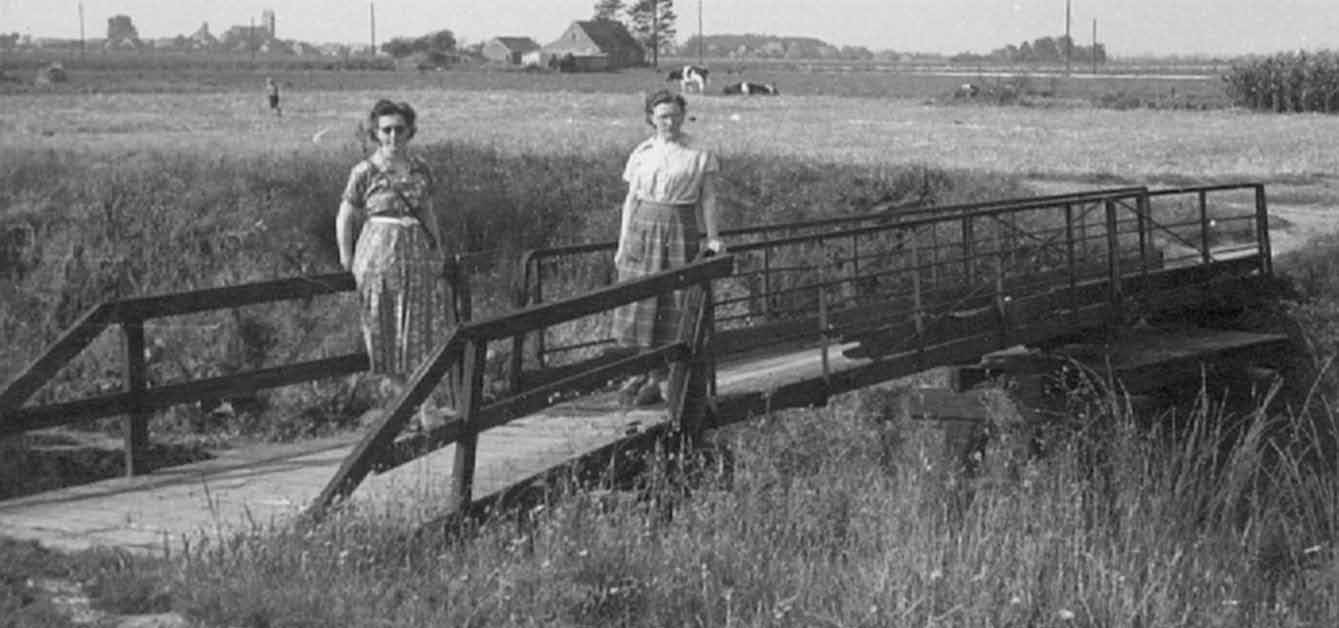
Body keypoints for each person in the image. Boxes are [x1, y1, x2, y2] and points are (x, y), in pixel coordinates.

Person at [336, 99, 448, 429]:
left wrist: (437, 249)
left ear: (410, 131)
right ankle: (415, 403)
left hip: (415, 256)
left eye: (400, 129)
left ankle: (423, 404)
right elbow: (345, 215)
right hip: (377, 258)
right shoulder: (364, 172)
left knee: (419, 331)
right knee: (382, 331)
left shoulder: (420, 169)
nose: (393, 136)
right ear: (376, 133)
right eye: (386, 130)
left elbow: (428, 212)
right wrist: (345, 254)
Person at [611, 89, 726, 406]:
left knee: (674, 299)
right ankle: (642, 369)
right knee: (640, 298)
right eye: (663, 116)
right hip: (643, 229)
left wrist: (713, 236)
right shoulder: (642, 152)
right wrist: (623, 244)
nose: (670, 122)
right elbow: (630, 200)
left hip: (681, 226)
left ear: (683, 115)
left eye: (675, 115)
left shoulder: (698, 153)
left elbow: (708, 198)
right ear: (651, 119)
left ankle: (662, 376)